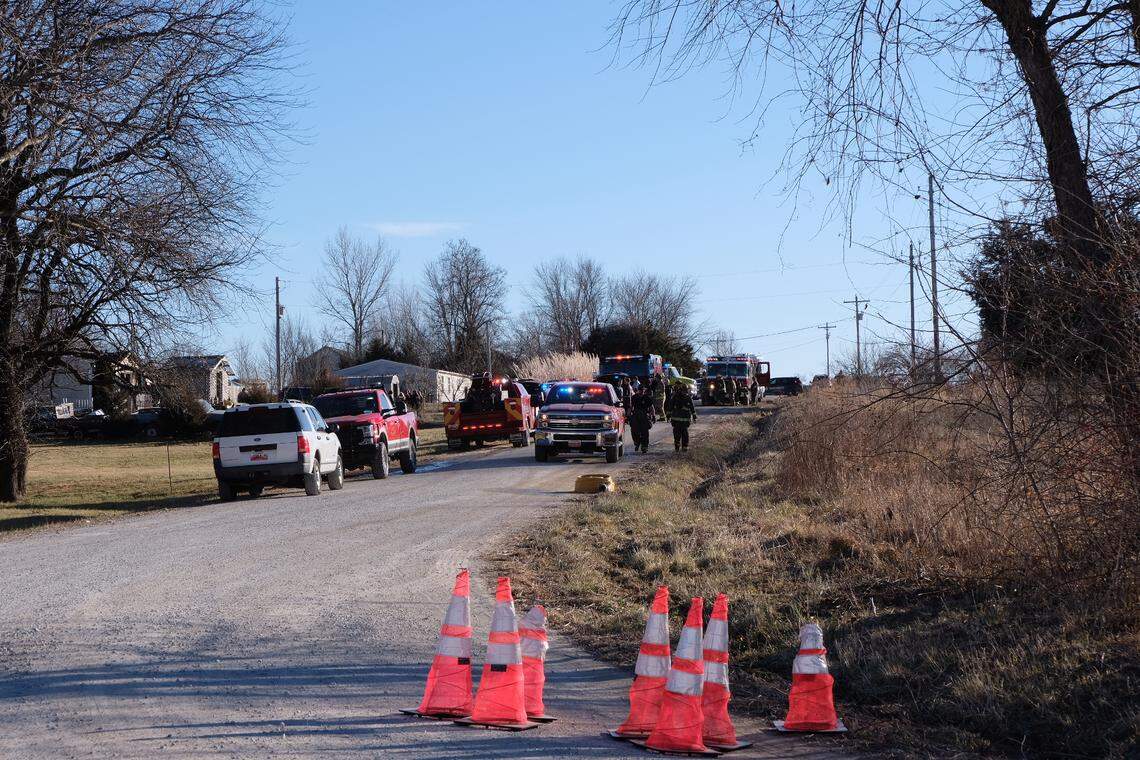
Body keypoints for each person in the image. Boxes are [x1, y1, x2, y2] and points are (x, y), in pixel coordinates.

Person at [665, 384, 697, 452]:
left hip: (682, 420)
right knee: (678, 433)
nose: (685, 392)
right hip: (678, 420)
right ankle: (678, 445)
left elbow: (692, 408)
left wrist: (694, 416)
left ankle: (684, 446)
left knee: (683, 433)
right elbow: (670, 406)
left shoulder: (687, 398)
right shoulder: (677, 397)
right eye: (685, 391)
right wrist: (668, 416)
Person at [629, 386, 655, 453]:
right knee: (634, 431)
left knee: (645, 432)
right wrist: (628, 416)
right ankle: (637, 443)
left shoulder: (647, 398)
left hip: (644, 416)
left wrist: (653, 416)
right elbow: (631, 407)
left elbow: (651, 407)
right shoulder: (634, 397)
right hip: (636, 416)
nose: (641, 391)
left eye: (643, 390)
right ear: (638, 390)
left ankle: (644, 446)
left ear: (644, 390)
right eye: (640, 390)